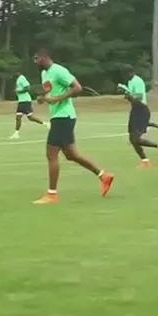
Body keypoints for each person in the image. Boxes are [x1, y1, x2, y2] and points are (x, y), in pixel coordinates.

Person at [31, 50, 114, 204]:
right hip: (59, 117)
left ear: (45, 57)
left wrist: (58, 98)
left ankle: (52, 194)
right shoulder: (45, 74)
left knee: (51, 154)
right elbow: (51, 90)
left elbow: (77, 88)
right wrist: (43, 97)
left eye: (37, 58)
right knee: (72, 155)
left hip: (63, 117)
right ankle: (104, 176)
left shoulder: (59, 70)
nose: (35, 62)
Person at [119, 65, 158, 166]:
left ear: (129, 73)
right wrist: (125, 93)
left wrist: (126, 92)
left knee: (136, 138)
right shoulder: (130, 81)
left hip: (141, 110)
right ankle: (145, 161)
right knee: (132, 139)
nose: (124, 77)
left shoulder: (137, 81)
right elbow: (131, 98)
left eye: (124, 74)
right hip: (135, 110)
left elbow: (138, 97)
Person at [10, 72, 48, 139]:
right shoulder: (18, 80)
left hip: (25, 100)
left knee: (30, 117)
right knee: (18, 117)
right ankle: (16, 134)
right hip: (21, 101)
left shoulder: (22, 78)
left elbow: (28, 88)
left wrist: (19, 91)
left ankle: (46, 123)